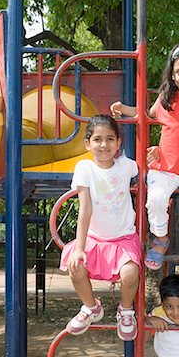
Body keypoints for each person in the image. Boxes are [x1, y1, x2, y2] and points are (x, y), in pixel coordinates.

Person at [110, 43, 179, 276]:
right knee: (156, 200)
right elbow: (147, 116)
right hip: (164, 169)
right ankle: (161, 238)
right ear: (172, 75)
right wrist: (125, 109)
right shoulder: (166, 99)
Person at [60, 114, 141, 341]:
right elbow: (85, 209)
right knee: (75, 267)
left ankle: (126, 311)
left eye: (110, 139)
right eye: (97, 139)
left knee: (130, 273)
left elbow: (146, 168)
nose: (104, 145)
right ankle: (90, 308)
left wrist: (155, 154)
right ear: (88, 143)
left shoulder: (126, 166)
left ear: (118, 143)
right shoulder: (84, 168)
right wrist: (79, 248)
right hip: (95, 238)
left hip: (123, 238)